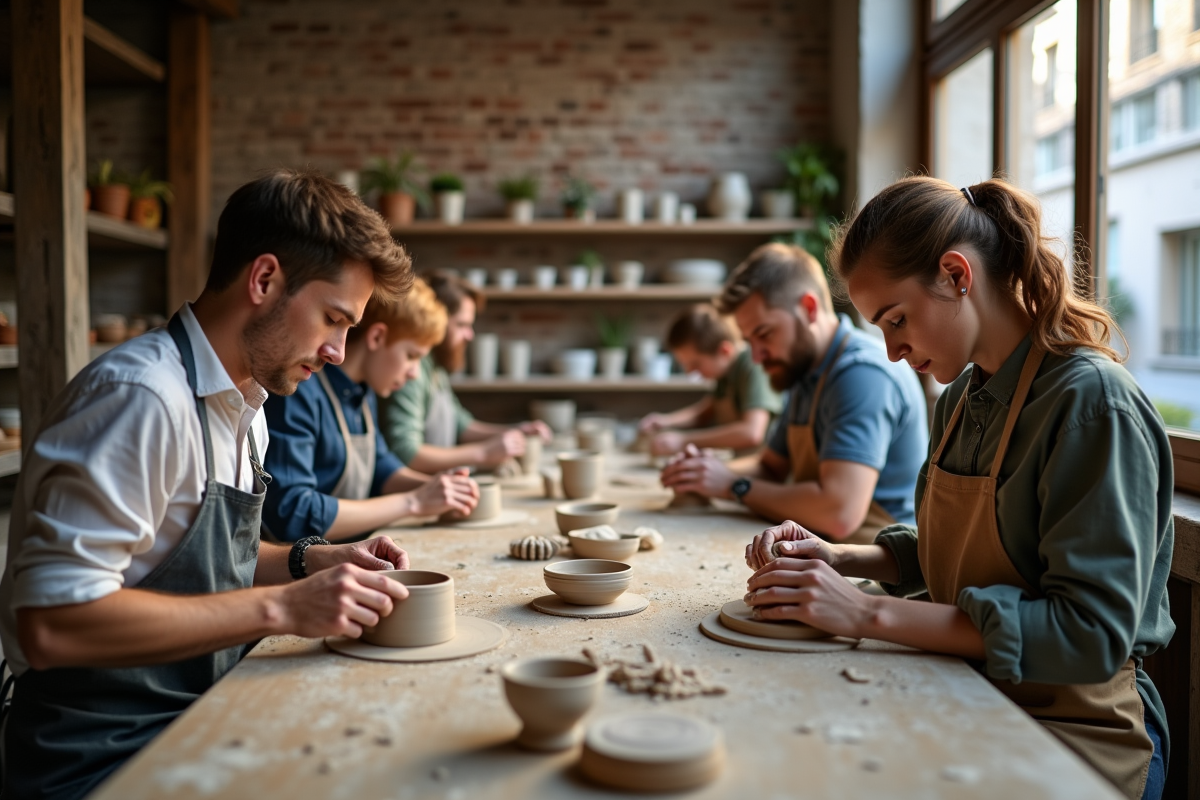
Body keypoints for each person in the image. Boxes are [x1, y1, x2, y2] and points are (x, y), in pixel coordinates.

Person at [744, 177, 1173, 800]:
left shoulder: (1091, 404)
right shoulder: (960, 401)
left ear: (956, 274)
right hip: (972, 690)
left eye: (897, 320)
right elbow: (956, 554)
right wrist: (838, 558)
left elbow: (1087, 634)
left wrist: (864, 612)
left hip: (1076, 730)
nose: (892, 350)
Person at [0, 170, 419, 800]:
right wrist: (283, 608)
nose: (338, 351)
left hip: (192, 719)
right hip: (97, 759)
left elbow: (197, 562)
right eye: (333, 318)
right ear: (264, 279)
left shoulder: (248, 402)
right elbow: (52, 623)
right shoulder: (141, 400)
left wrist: (309, 561)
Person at [660, 243, 927, 544]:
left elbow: (838, 513)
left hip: (878, 558)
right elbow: (770, 467)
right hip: (827, 550)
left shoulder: (862, 375)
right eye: (749, 341)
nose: (757, 357)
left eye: (764, 334)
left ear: (808, 309)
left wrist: (732, 485)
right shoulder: (804, 370)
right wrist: (705, 472)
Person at [262, 278, 480, 543]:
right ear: (376, 337)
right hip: (297, 561)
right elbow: (292, 512)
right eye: (411, 356)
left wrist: (439, 489)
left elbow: (382, 467)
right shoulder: (300, 391)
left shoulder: (363, 392)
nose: (414, 373)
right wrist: (413, 502)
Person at [382, 271, 550, 473]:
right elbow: (405, 451)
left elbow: (461, 424)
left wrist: (515, 432)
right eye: (462, 325)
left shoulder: (435, 366)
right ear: (438, 321)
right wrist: (483, 453)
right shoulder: (410, 371)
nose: (470, 335)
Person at [638, 303, 782, 456]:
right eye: (686, 365)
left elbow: (751, 433)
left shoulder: (752, 366)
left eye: (695, 364)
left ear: (724, 351)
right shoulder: (725, 375)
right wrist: (665, 421)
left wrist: (683, 441)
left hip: (761, 465)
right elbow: (702, 414)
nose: (690, 372)